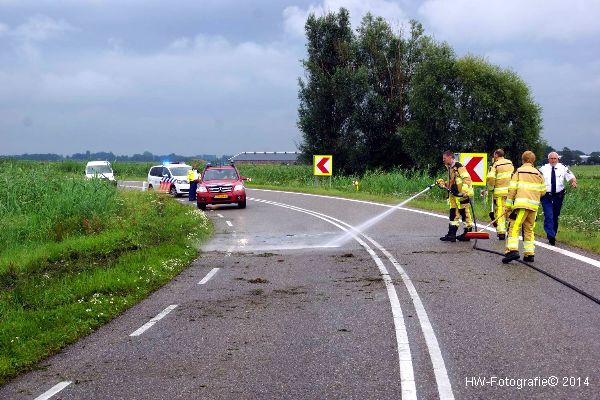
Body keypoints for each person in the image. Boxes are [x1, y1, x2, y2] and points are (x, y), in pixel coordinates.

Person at [502, 151, 546, 263]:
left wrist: (507, 206)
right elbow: (543, 191)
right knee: (529, 229)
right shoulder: (538, 173)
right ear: (533, 161)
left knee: (514, 226)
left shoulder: (519, 172)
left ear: (523, 160)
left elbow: (512, 190)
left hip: (521, 205)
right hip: (533, 207)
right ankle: (529, 254)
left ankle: (512, 251)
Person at [539, 152, 577, 245]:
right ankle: (551, 235)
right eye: (551, 158)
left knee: (555, 216)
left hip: (558, 196)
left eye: (555, 158)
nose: (553, 160)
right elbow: (536, 179)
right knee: (549, 215)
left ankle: (553, 234)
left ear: (557, 159)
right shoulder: (543, 169)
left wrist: (573, 182)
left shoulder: (563, 168)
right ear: (548, 160)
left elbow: (571, 176)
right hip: (546, 196)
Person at [438, 150, 474, 242]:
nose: (443, 160)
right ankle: (451, 234)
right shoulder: (450, 168)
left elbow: (467, 179)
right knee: (453, 214)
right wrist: (443, 183)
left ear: (450, 157)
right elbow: (452, 182)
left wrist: (464, 191)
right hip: (454, 195)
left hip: (462, 195)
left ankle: (467, 234)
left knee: (465, 214)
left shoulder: (458, 166)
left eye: (444, 158)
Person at [486, 149, 514, 240]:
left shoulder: (496, 164)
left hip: (499, 192)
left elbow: (491, 177)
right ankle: (510, 231)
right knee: (509, 211)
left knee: (500, 211)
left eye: (494, 155)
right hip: (510, 192)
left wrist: (491, 188)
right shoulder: (510, 163)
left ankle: (501, 232)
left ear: (497, 155)